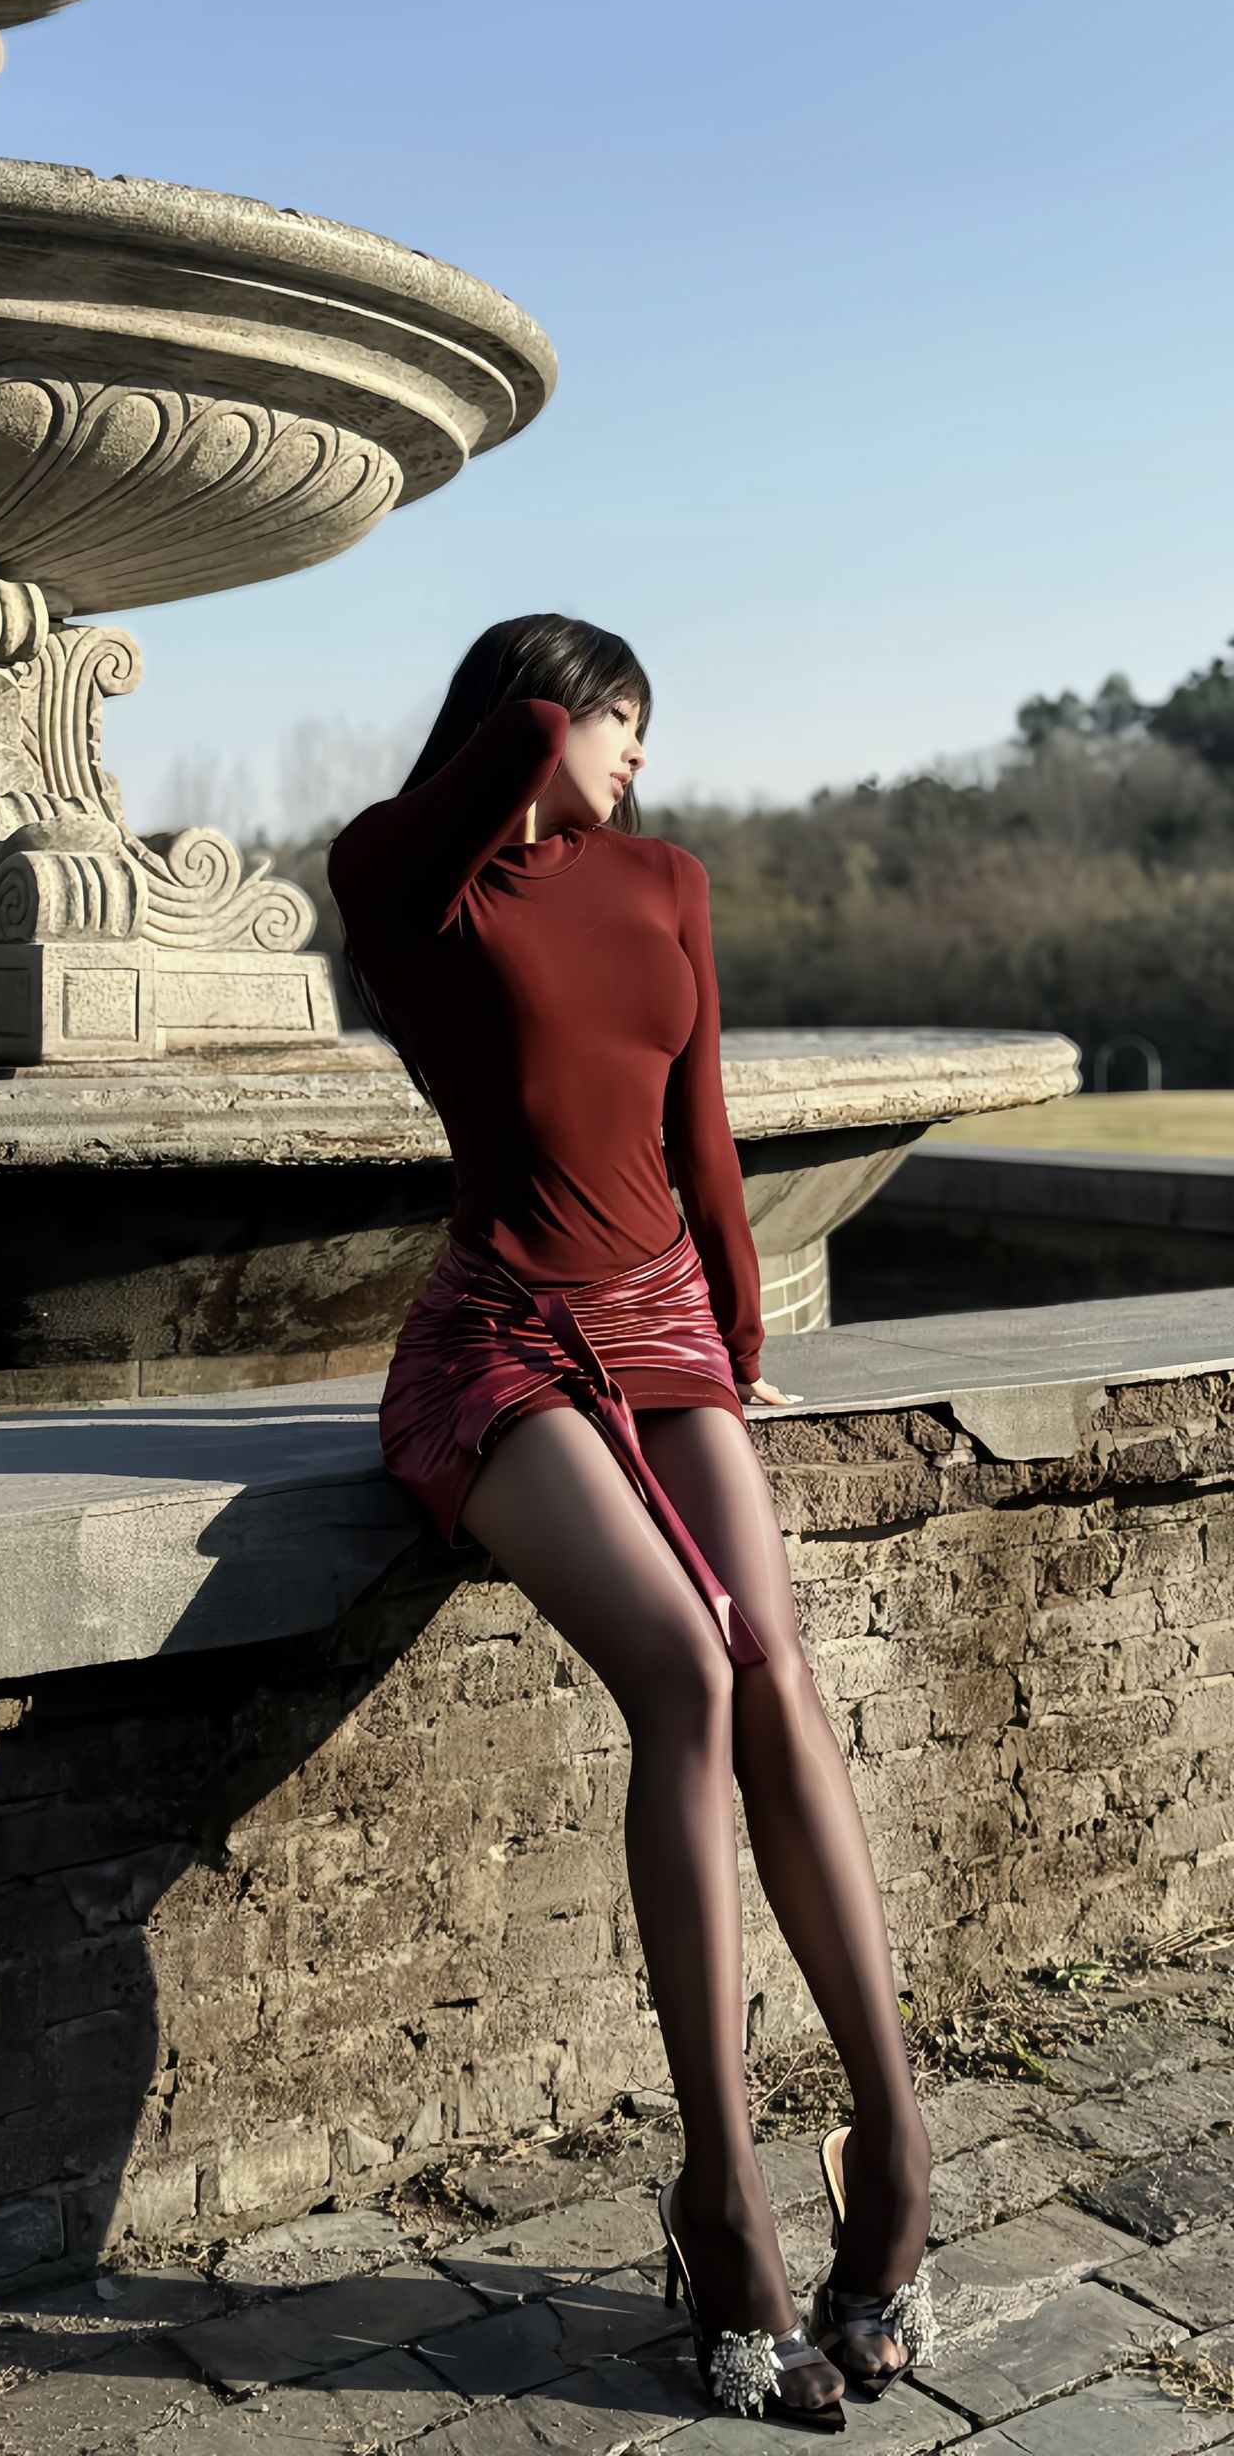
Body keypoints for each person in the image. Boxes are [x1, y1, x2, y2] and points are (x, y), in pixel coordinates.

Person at [326, 614, 935, 2427]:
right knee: (685, 1664)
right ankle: (723, 2201)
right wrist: (550, 713)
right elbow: (513, 735)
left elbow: (703, 1130)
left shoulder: (664, 880)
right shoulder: (408, 882)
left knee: (777, 1670)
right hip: (501, 1343)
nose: (641, 758)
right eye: (623, 723)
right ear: (546, 717)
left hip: (665, 1325)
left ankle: (897, 2139)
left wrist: (735, 1350)